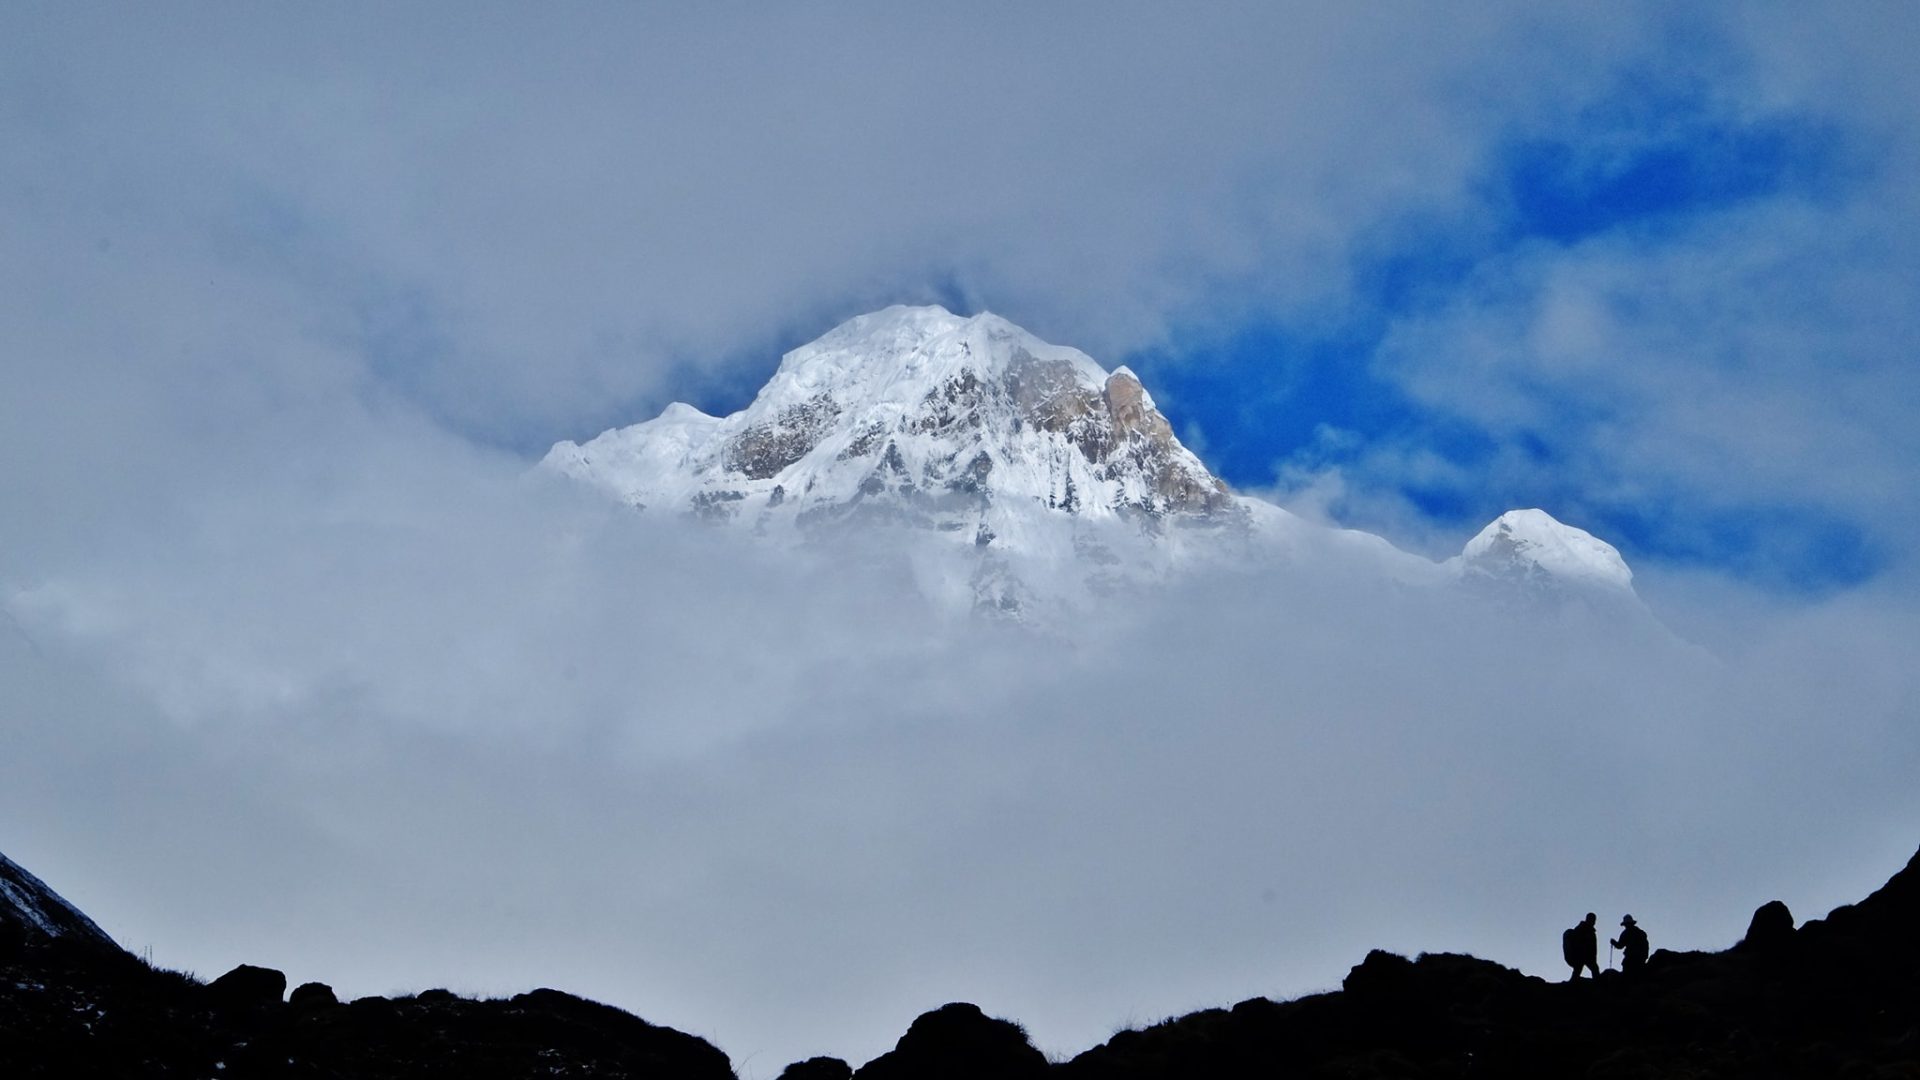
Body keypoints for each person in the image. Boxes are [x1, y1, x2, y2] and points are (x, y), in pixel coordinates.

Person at [1563, 912, 1600, 980]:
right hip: (1581, 954)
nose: (1593, 922)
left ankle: (1596, 982)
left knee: (1592, 968)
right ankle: (1573, 982)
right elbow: (1577, 942)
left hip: (1586, 955)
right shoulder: (1581, 929)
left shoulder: (1590, 932)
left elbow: (1593, 948)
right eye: (1592, 919)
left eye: (1594, 920)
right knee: (1581, 967)